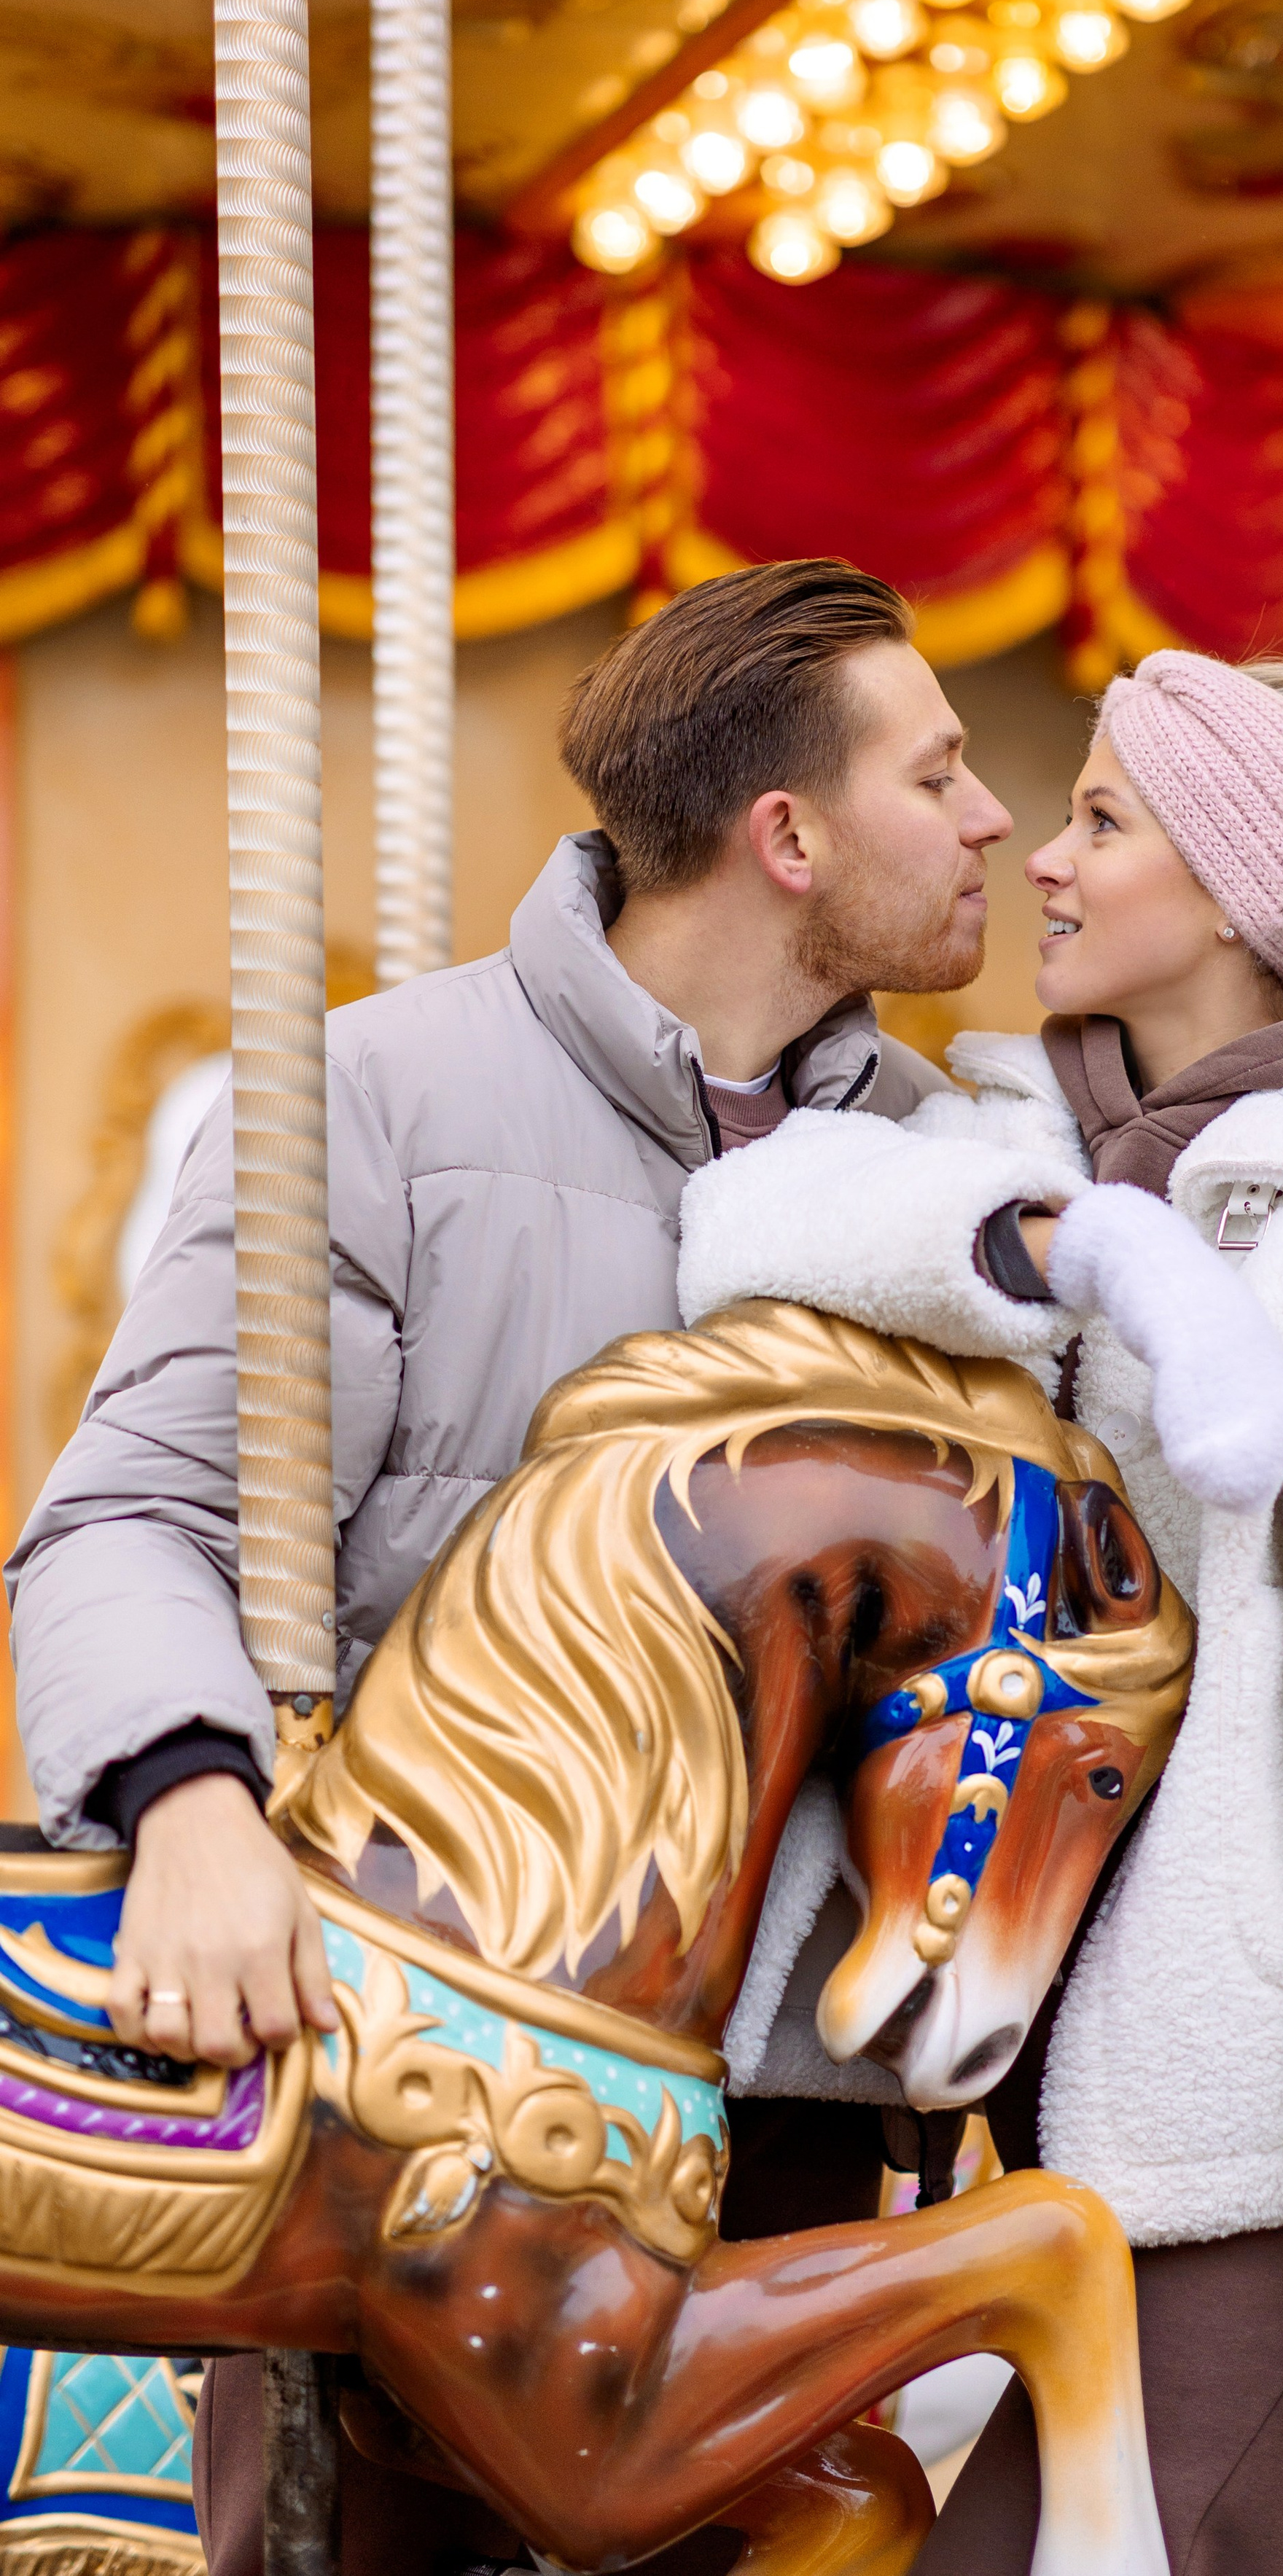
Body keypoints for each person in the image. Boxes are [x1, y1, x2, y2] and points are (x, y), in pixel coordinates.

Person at [5, 554, 1015, 2576]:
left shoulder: (950, 1174)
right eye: (943, 771)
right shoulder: (377, 1099)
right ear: (788, 836)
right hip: (421, 2072)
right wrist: (190, 1801)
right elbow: (131, 1513)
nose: (991, 815)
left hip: (787, 2098)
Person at [677, 648, 1283, 2576]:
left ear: (1245, 893)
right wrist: (1073, 1240)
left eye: (1105, 820)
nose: (1050, 859)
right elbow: (751, 1230)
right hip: (1096, 2137)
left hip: (1267, 2157)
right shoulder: (1065, 1170)